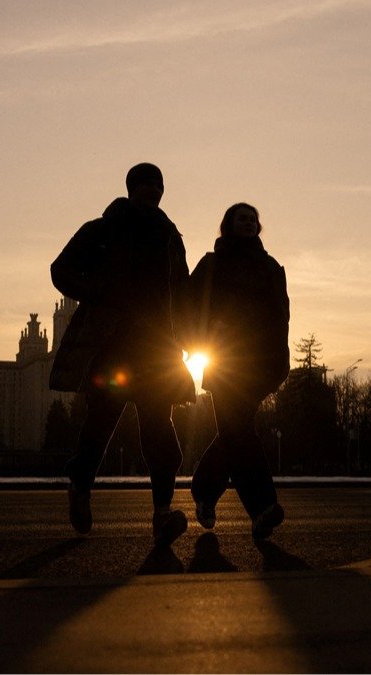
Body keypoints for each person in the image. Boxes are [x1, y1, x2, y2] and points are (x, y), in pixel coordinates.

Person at [49, 162, 196, 547]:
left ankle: (162, 515)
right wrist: (99, 293)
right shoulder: (102, 229)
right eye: (146, 183)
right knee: (100, 426)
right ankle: (80, 486)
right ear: (132, 188)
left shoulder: (169, 237)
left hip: (157, 350)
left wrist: (190, 333)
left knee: (160, 433)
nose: (154, 190)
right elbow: (60, 270)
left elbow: (182, 292)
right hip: (111, 346)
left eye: (159, 184)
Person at [188, 202, 290, 540]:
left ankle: (204, 492)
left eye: (253, 219)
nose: (248, 223)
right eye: (241, 218)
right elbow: (188, 306)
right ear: (227, 225)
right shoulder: (212, 264)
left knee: (235, 433)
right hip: (224, 361)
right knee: (239, 433)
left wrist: (279, 362)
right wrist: (200, 338)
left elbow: (281, 318)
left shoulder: (271, 267)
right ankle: (262, 509)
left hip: (259, 365)